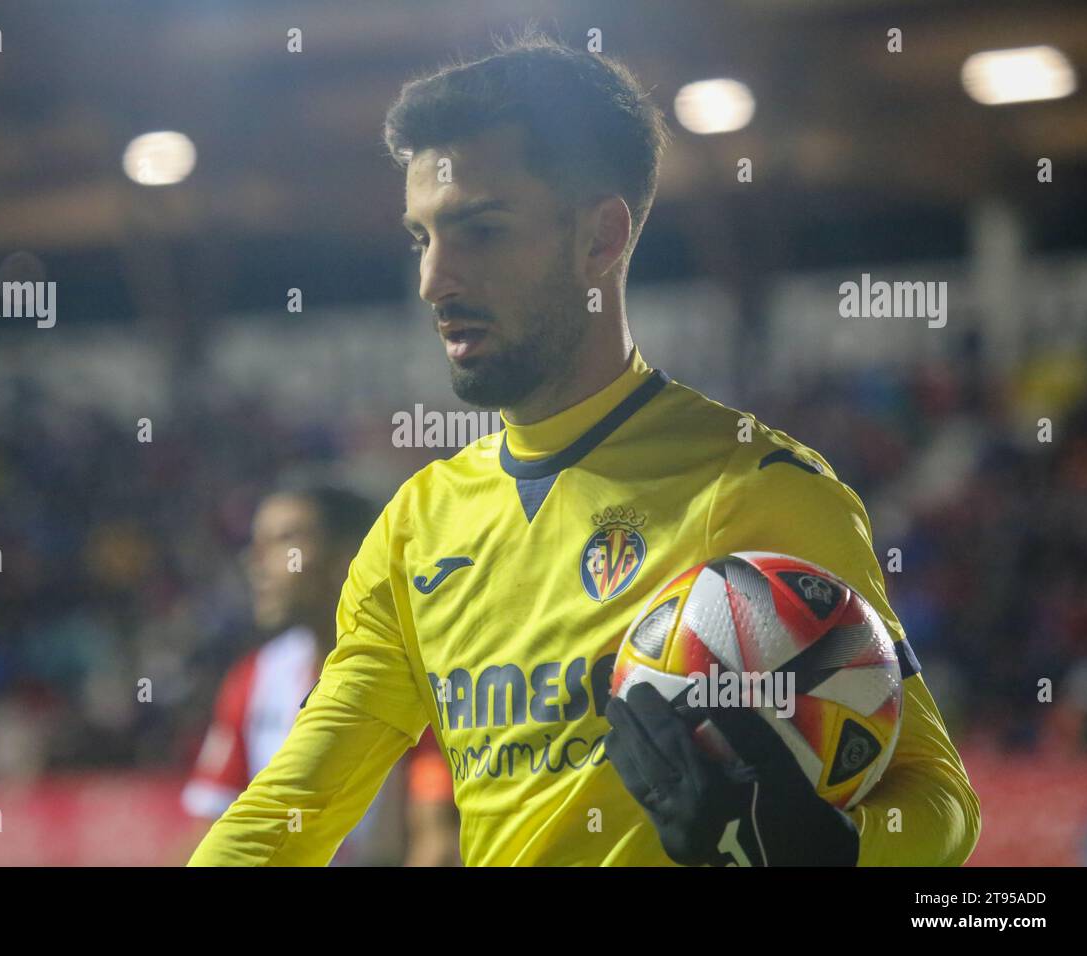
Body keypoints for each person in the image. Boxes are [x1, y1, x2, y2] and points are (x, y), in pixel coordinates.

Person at [190, 31, 980, 867]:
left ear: (601, 240)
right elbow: (291, 809)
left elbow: (937, 795)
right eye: (423, 238)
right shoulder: (417, 526)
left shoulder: (757, 490)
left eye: (480, 231)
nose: (434, 280)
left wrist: (824, 852)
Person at [181, 482, 458, 865]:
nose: (255, 560)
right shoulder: (253, 677)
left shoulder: (421, 676)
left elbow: (438, 842)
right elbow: (212, 829)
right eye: (256, 542)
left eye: (285, 540)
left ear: (349, 556)